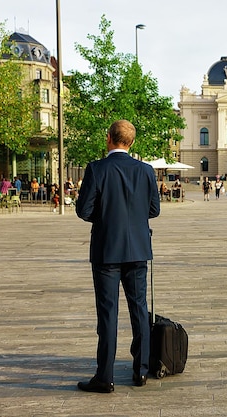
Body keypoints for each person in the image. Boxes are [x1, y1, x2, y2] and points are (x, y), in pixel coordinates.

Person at [76, 120, 160, 393]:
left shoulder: (97, 169)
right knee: (139, 310)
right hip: (137, 250)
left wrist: (106, 219)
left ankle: (105, 376)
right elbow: (154, 210)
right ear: (131, 142)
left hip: (106, 251)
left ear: (108, 138)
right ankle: (141, 371)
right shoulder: (146, 170)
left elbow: (83, 210)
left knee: (108, 314)